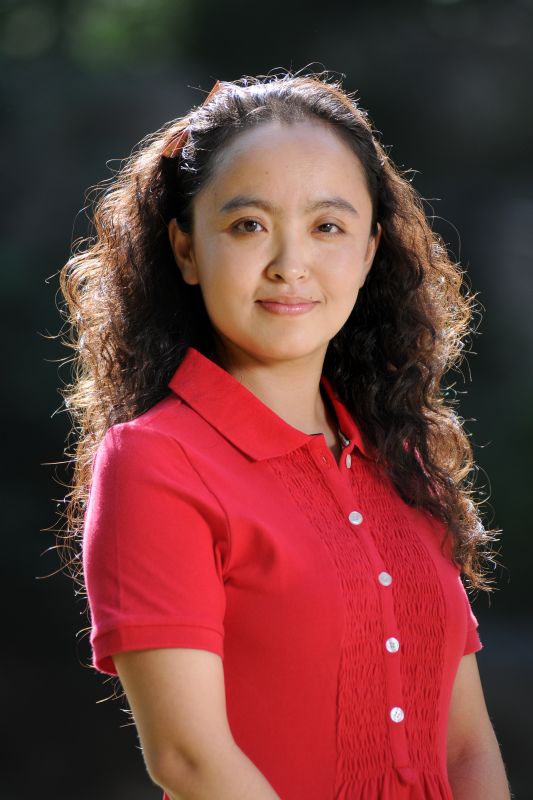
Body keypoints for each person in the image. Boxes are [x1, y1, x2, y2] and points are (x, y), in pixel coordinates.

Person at [58, 70, 512, 799]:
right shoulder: (153, 460)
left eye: (327, 226)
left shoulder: (401, 460)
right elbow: (188, 757)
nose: (289, 266)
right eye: (248, 225)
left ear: (368, 251)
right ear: (185, 250)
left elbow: (465, 746)